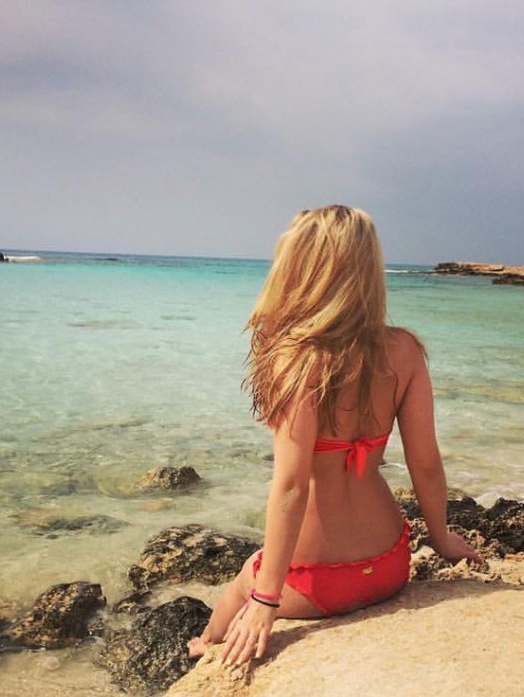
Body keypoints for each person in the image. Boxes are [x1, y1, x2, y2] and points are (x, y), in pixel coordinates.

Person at [187, 205, 482, 666]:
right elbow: (425, 463)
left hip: (314, 583)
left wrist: (265, 599)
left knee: (246, 575)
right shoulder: (405, 351)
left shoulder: (297, 359)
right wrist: (441, 539)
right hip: (389, 564)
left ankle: (206, 645)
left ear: (298, 268)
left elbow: (291, 486)